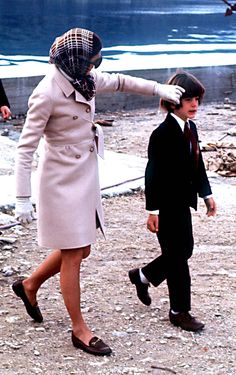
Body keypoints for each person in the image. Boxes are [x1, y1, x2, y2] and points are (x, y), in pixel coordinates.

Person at [12, 27, 184, 356]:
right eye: (92, 61)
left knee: (82, 250)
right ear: (74, 61)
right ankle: (79, 329)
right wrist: (22, 198)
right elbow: (24, 149)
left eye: (97, 61)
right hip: (59, 183)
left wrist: (159, 88)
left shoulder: (84, 79)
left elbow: (120, 80)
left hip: (85, 176)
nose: (96, 66)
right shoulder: (46, 92)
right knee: (74, 254)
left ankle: (30, 285)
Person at [129, 71, 217, 332]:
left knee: (184, 250)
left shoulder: (191, 127)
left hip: (183, 203)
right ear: (171, 100)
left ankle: (143, 276)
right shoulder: (162, 134)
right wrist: (152, 210)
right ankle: (180, 311)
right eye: (188, 99)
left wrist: (207, 194)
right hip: (165, 205)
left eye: (197, 100)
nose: (194, 105)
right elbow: (152, 174)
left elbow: (197, 164)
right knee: (178, 257)